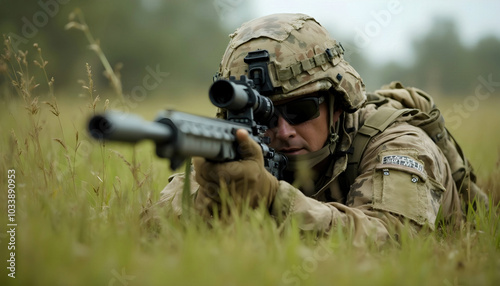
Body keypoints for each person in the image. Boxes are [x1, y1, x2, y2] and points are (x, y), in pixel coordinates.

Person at [142, 13, 487, 246]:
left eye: (300, 109)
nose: (283, 130)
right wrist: (211, 193)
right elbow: (152, 235)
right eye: (263, 115)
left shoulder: (397, 142)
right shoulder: (239, 146)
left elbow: (389, 241)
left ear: (337, 103)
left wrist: (272, 197)